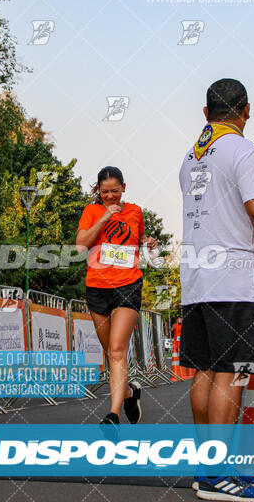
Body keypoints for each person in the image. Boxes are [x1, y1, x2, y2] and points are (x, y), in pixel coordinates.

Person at [178, 79, 254, 501]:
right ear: (245, 110)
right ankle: (218, 476)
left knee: (205, 371)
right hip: (236, 280)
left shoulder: (190, 159)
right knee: (234, 372)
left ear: (205, 111)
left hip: (196, 279)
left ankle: (206, 467)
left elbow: (232, 207)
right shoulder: (244, 150)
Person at [76, 166, 157, 424]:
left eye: (114, 191)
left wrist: (148, 241)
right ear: (98, 191)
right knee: (110, 353)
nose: (110, 196)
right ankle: (130, 392)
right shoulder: (91, 211)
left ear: (123, 188)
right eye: (105, 192)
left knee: (117, 350)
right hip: (97, 286)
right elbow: (80, 245)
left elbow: (139, 236)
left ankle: (113, 414)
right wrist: (103, 218)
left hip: (127, 284)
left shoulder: (135, 211)